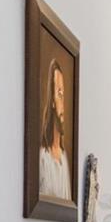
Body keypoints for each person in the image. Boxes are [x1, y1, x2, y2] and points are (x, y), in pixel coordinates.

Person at [39, 60, 71, 200]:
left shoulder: (64, 157)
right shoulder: (43, 158)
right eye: (59, 94)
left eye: (63, 95)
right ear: (52, 100)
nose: (63, 104)